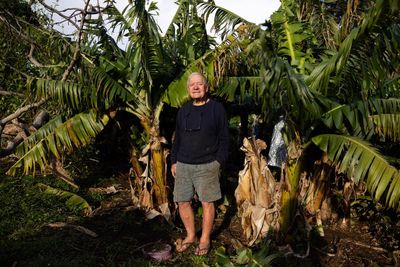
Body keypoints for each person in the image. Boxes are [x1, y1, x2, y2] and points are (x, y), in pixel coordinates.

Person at [171, 72, 229, 256]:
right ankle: (190, 236)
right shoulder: (183, 110)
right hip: (183, 164)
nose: (195, 87)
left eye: (199, 84)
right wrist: (174, 161)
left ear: (206, 87)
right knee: (182, 201)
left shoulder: (216, 109)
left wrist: (218, 161)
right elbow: (177, 138)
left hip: (207, 164)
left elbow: (224, 138)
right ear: (188, 89)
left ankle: (204, 239)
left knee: (207, 203)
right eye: (192, 85)